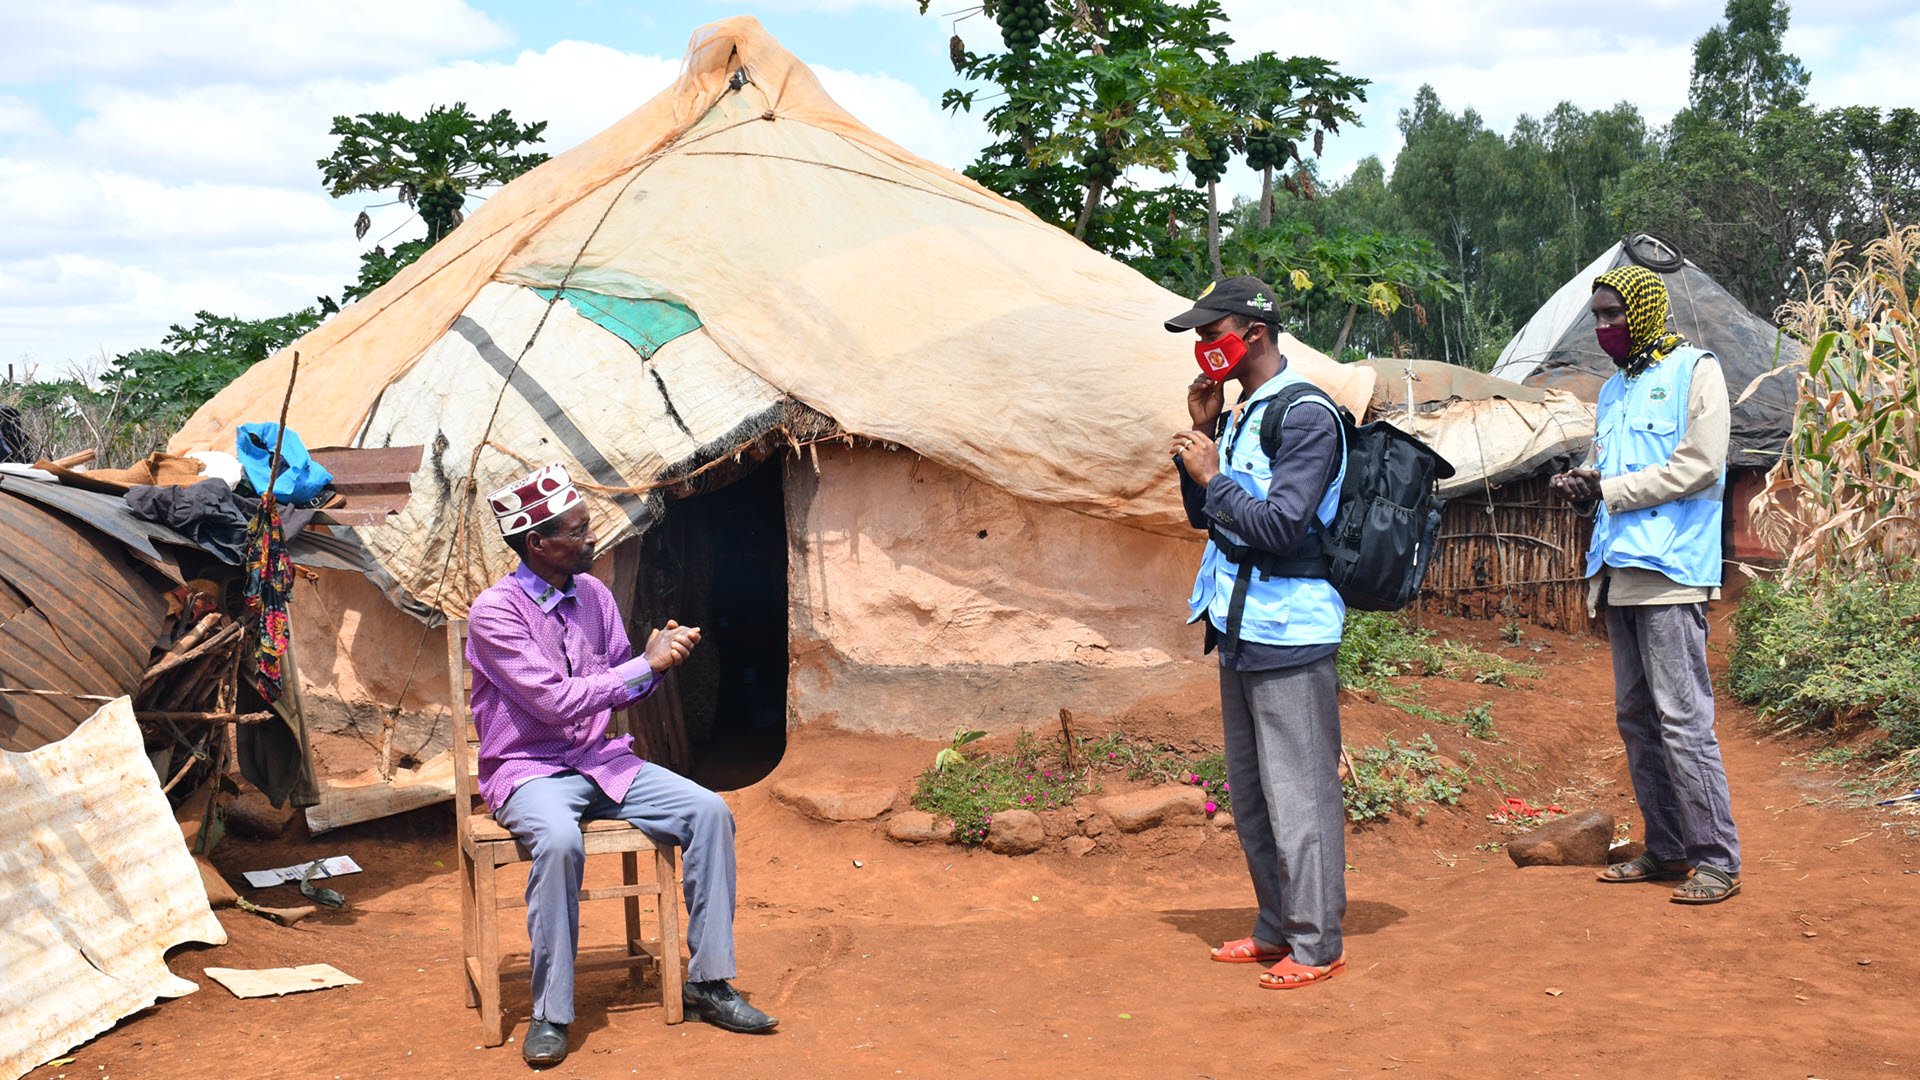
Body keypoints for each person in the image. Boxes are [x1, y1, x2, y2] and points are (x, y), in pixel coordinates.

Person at [466, 464, 777, 1067]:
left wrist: (659, 662)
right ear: (538, 543)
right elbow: (554, 703)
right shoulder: (494, 613)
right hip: (529, 769)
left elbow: (618, 686)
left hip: (601, 762)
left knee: (709, 811)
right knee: (558, 841)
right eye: (579, 531)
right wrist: (642, 666)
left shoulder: (596, 596)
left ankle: (708, 983)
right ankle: (552, 1013)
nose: (593, 540)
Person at [1165, 277, 1350, 989]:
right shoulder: (1244, 413)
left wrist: (1213, 476)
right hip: (1239, 625)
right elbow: (1209, 516)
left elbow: (1281, 525)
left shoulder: (1306, 416)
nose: (1204, 347)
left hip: (1290, 630)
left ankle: (1317, 943)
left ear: (1256, 333)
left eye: (1213, 333)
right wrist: (1206, 438)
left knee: (1300, 793)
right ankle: (1277, 926)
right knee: (1253, 792)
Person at [1549, 265, 1742, 904]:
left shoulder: (1696, 371)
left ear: (1646, 311)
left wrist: (1610, 488)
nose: (1605, 327)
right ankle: (1667, 850)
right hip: (1618, 571)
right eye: (1598, 317)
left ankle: (1716, 860)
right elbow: (1606, 471)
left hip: (1672, 573)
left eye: (1614, 315)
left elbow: (1700, 464)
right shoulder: (1613, 391)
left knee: (1683, 720)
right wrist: (1583, 486)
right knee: (1636, 717)